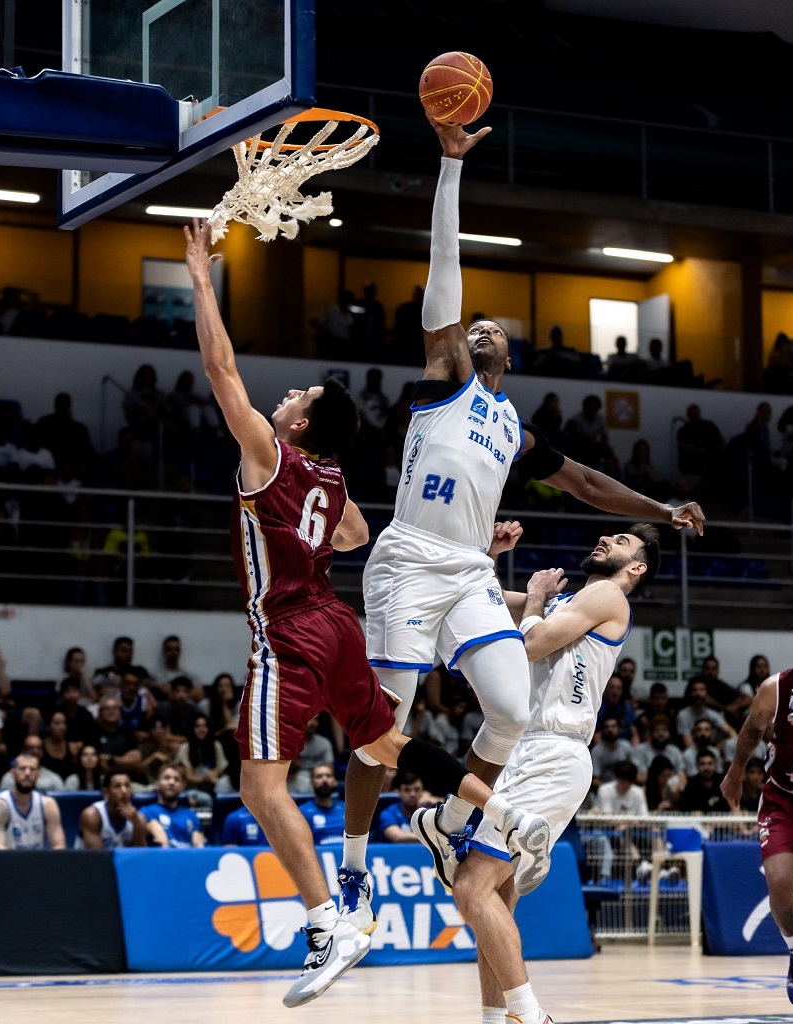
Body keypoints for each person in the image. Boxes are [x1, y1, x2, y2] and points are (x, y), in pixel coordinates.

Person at [343, 114, 704, 943]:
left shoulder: (511, 428)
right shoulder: (444, 385)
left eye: (490, 332)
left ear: (510, 357)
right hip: (408, 558)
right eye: (472, 328)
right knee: (383, 723)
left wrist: (658, 509)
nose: (480, 329)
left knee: (508, 703)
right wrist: (448, 167)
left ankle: (453, 828)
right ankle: (355, 871)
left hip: (468, 566)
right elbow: (443, 276)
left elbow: (582, 482)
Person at [184, 216, 549, 1009]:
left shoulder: (269, 455)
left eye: (297, 398)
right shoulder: (331, 480)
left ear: (299, 426)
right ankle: (501, 810)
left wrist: (203, 279)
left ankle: (329, 920)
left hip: (287, 628)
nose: (285, 397)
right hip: (340, 622)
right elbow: (352, 535)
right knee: (387, 739)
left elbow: (219, 368)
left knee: (259, 786)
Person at [431, 521, 659, 1024]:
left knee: (471, 887)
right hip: (526, 752)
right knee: (492, 901)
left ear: (636, 567)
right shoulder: (572, 602)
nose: (606, 538)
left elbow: (529, 646)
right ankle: (498, 1019)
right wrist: (490, 553)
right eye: (609, 535)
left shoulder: (607, 597)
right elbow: (479, 598)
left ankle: (530, 1015)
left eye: (622, 542)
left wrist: (534, 598)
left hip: (553, 753)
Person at [721, 662, 793, 1004]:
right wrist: (737, 771)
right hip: (783, 799)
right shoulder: (777, 688)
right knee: (781, 884)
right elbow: (753, 730)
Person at [0, 752, 65, 849]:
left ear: (38, 774)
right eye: (22, 769)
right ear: (13, 773)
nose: (27, 773)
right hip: (6, 862)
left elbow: (59, 846)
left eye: (32, 769)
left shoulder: (48, 805)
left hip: (37, 863)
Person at [76, 769, 149, 848]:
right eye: (117, 786)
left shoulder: (139, 818)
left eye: (127, 786)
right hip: (90, 860)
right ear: (106, 791)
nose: (124, 791)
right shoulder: (92, 815)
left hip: (122, 860)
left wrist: (137, 825)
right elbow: (96, 857)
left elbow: (140, 856)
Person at [143, 764, 206, 847]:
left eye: (176, 779)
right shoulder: (147, 811)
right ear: (158, 783)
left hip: (188, 858)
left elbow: (198, 846)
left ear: (182, 786)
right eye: (166, 778)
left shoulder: (191, 814)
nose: (171, 782)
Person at [298, 764, 346, 846]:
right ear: (311, 782)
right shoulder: (302, 812)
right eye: (319, 776)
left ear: (334, 781)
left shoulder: (346, 809)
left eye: (328, 776)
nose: (324, 780)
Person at [378, 772, 433, 842]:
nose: (412, 794)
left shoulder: (431, 813)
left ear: (423, 791)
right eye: (407, 790)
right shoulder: (388, 813)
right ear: (398, 792)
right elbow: (397, 837)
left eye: (417, 789)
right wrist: (432, 838)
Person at [0, 737, 65, 792]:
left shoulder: (54, 778)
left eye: (39, 748)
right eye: (30, 748)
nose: (35, 751)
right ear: (23, 750)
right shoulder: (8, 778)